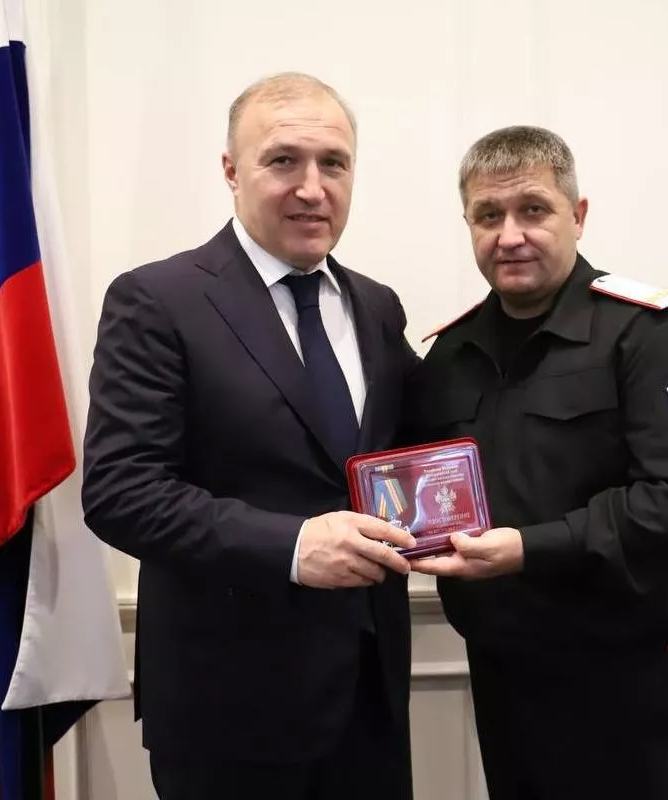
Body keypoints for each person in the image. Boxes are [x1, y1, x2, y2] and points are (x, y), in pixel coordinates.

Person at [81, 72, 419, 800]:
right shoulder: (157, 301)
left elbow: (419, 450)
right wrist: (293, 546)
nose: (312, 188)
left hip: (370, 703)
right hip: (227, 715)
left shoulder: (376, 307)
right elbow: (121, 492)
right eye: (283, 160)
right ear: (231, 171)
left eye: (334, 163)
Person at [405, 125, 668, 800]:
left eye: (533, 209)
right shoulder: (450, 353)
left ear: (577, 215)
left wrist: (529, 549)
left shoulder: (650, 333)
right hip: (504, 669)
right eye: (488, 215)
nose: (510, 235)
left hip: (626, 670)